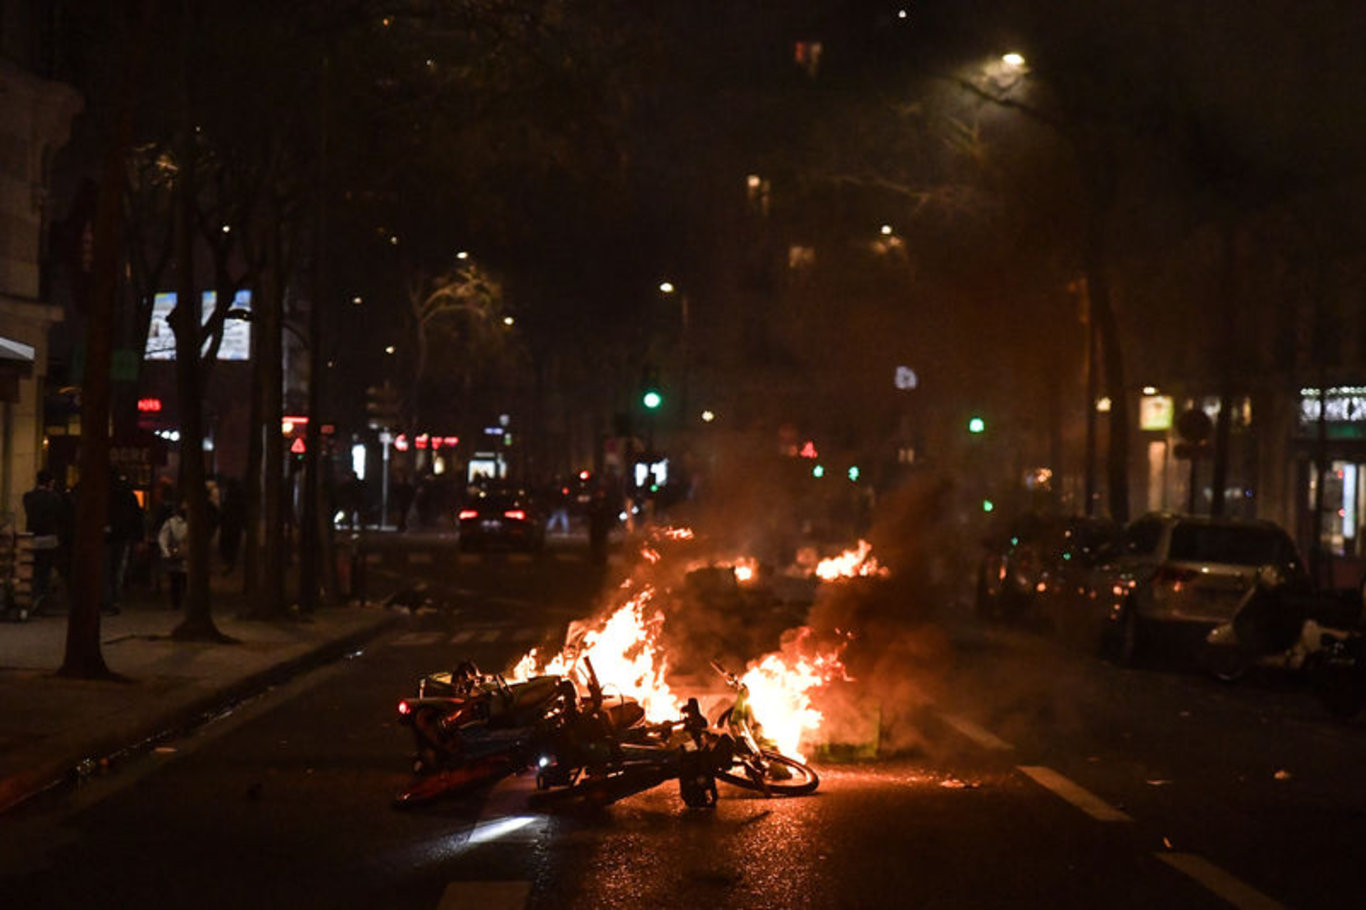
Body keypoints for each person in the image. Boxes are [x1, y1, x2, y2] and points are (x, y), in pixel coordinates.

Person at [20, 470, 62, 618]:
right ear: (50, 482)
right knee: (45, 570)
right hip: (49, 538)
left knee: (33, 570)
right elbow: (59, 516)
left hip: (32, 538)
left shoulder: (28, 497)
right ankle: (42, 600)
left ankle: (33, 597)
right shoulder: (55, 498)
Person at [157, 504, 189, 610]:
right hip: (175, 556)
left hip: (187, 557)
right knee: (176, 579)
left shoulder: (193, 522)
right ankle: (176, 603)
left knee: (185, 580)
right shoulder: (171, 522)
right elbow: (163, 538)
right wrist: (166, 552)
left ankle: (184, 602)